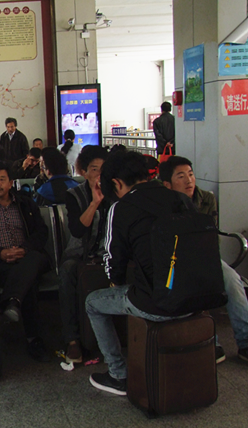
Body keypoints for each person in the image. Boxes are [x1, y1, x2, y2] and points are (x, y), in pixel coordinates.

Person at [86, 151, 193, 396]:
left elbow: (113, 264)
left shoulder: (121, 208)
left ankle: (118, 375)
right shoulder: (180, 199)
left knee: (93, 303)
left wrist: (116, 283)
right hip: (196, 297)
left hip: (157, 303)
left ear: (116, 183)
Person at [160, 156, 248, 363]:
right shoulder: (162, 203)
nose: (189, 180)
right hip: (175, 260)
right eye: (181, 176)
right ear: (167, 184)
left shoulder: (206, 198)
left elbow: (211, 234)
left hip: (205, 255)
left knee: (233, 280)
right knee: (193, 284)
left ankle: (245, 342)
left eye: (191, 174)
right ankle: (209, 341)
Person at [0, 162, 51, 362]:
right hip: (0, 263)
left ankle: (11, 300)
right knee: (27, 280)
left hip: (29, 256)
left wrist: (25, 249)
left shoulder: (26, 204)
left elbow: (41, 232)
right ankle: (33, 338)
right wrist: (0, 253)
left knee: (32, 260)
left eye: (2, 179)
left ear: (10, 183)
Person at [57, 146, 109, 363]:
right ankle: (72, 340)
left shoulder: (117, 193)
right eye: (94, 169)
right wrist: (95, 203)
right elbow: (78, 230)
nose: (99, 175)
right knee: (67, 272)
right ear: (84, 172)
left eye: (103, 170)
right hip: (79, 252)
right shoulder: (74, 195)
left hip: (107, 251)